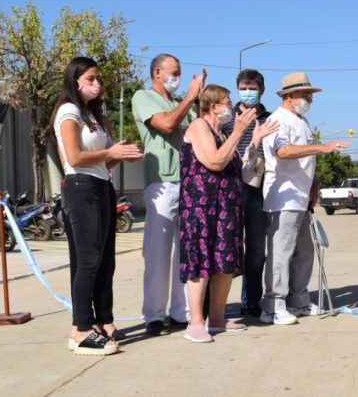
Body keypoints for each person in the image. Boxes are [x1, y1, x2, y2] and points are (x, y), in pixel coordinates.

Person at [52, 56, 143, 355]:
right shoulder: (68, 111)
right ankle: (80, 328)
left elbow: (105, 159)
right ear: (75, 80)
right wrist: (109, 151)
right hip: (80, 187)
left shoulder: (94, 116)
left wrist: (121, 153)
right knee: (88, 260)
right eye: (90, 79)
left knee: (105, 261)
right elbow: (75, 157)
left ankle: (103, 320)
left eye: (98, 80)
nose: (97, 85)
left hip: (102, 186)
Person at [177, 84, 276, 343]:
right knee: (201, 262)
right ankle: (196, 322)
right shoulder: (199, 126)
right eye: (226, 101)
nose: (231, 107)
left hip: (226, 207)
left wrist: (253, 141)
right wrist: (239, 132)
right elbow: (214, 161)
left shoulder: (222, 134)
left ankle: (217, 318)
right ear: (212, 107)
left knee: (224, 261)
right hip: (201, 207)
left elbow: (239, 168)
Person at [259, 72, 348, 325]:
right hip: (282, 198)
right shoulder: (278, 120)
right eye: (305, 93)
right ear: (288, 95)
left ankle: (298, 300)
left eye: (310, 94)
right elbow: (283, 151)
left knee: (304, 252)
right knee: (281, 253)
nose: (310, 98)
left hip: (301, 198)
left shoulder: (302, 121)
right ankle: (273, 306)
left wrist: (314, 185)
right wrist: (322, 147)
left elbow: (306, 158)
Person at [132, 53, 205, 336]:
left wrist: (196, 100)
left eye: (180, 72)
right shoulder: (143, 97)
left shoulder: (181, 103)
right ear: (157, 73)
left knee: (185, 253)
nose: (177, 77)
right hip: (162, 182)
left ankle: (181, 311)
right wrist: (189, 97)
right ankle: (153, 314)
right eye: (173, 72)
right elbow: (165, 125)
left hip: (189, 182)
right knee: (158, 252)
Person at [222, 69, 275, 318]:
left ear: (261, 90)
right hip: (228, 187)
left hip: (258, 189)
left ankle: (251, 300)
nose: (248, 91)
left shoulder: (271, 118)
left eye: (252, 87)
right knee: (225, 246)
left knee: (255, 249)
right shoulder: (225, 117)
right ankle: (215, 303)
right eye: (244, 87)